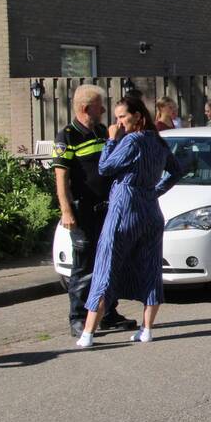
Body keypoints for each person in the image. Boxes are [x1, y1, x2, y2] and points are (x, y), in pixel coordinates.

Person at [75, 96, 183, 348]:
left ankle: (88, 334)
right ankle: (146, 330)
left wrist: (111, 140)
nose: (118, 122)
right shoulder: (157, 141)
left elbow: (105, 167)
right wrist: (153, 191)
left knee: (106, 266)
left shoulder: (132, 140)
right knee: (151, 268)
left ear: (138, 116)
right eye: (116, 118)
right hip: (151, 211)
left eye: (122, 116)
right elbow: (176, 171)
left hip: (124, 207)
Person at [52, 85, 138, 337]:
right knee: (84, 266)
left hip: (107, 208)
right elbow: (61, 178)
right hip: (83, 210)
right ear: (86, 108)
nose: (103, 111)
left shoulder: (102, 132)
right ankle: (79, 318)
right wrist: (66, 210)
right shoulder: (67, 136)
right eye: (100, 106)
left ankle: (107, 313)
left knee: (109, 261)